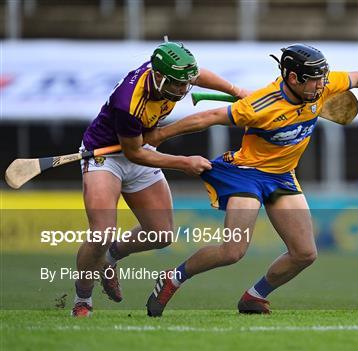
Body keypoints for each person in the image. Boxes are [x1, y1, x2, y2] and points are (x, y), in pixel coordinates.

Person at [143, 43, 358, 316]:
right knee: (232, 251)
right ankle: (173, 277)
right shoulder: (261, 106)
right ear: (293, 77)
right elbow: (209, 117)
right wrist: (159, 135)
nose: (322, 85)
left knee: (305, 253)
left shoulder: (322, 87)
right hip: (246, 175)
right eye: (314, 79)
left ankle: (254, 297)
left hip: (282, 177)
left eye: (323, 78)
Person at [71, 39, 249, 317]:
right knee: (101, 233)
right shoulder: (128, 103)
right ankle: (83, 299)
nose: (182, 90)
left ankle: (109, 258)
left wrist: (237, 91)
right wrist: (183, 163)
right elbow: (134, 154)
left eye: (184, 83)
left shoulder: (171, 72)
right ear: (157, 76)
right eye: (176, 84)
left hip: (140, 148)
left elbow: (197, 74)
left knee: (162, 233)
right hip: (106, 157)